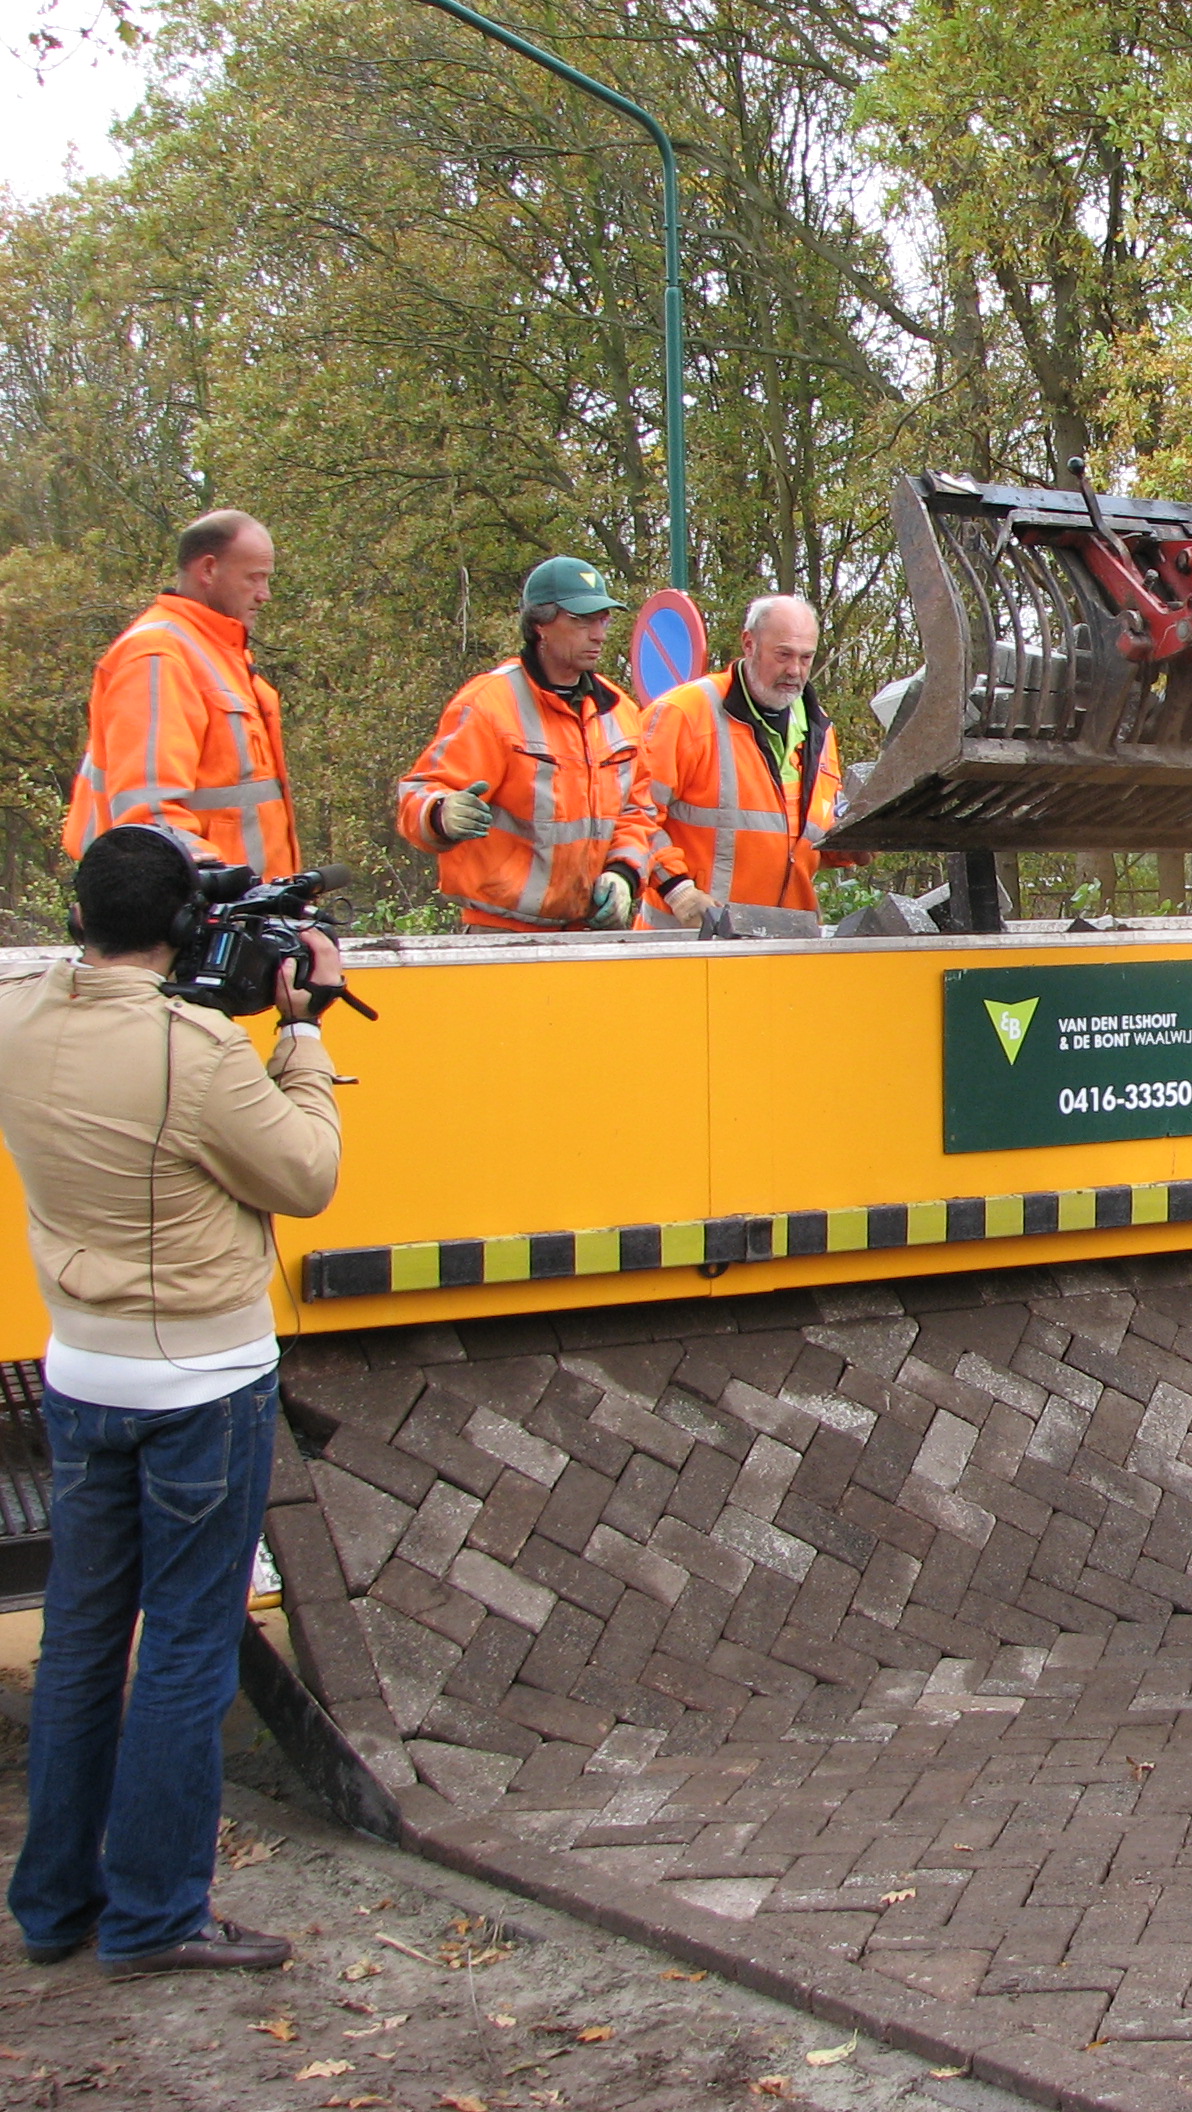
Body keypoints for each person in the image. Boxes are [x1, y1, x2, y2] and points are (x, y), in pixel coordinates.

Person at [0, 825, 344, 1975]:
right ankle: (155, 1915)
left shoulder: (20, 1019)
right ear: (187, 926)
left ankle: (55, 1907)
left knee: (86, 1640)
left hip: (82, 1374)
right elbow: (303, 1174)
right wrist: (300, 1033)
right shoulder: (192, 1053)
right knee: (191, 1645)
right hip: (201, 1382)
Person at [394, 557, 658, 931]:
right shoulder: (490, 703)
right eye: (582, 620)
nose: (598, 634)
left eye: (603, 619)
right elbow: (417, 794)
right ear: (540, 626)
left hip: (592, 934)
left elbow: (638, 811)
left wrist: (623, 873)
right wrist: (440, 813)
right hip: (500, 935)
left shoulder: (618, 709)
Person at [64, 511, 300, 878]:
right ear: (208, 570)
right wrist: (227, 905)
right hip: (193, 916)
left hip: (235, 913)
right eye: (255, 578)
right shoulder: (158, 657)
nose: (264, 594)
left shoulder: (215, 651)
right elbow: (152, 823)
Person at [640, 593, 859, 926]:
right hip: (689, 946)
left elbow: (801, 840)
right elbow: (632, 814)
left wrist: (854, 842)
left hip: (782, 948)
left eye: (805, 657)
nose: (794, 670)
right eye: (783, 654)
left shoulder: (818, 728)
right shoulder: (684, 715)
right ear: (749, 643)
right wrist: (676, 888)